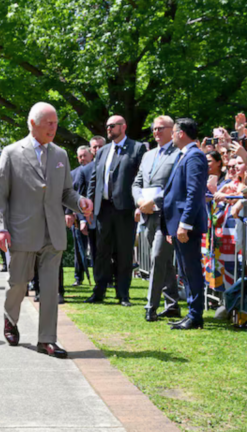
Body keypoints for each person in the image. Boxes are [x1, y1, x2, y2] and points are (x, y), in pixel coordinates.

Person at [0, 102, 93, 358]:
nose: (54, 127)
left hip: (53, 231)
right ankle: (10, 318)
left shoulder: (60, 155)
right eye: (48, 123)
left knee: (50, 289)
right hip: (21, 231)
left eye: (56, 122)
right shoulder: (11, 152)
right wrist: (0, 228)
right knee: (17, 284)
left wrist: (79, 203)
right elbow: (0, 196)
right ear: (32, 124)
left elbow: (66, 192)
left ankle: (47, 339)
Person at [86, 115, 146, 306]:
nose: (109, 129)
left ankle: (123, 294)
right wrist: (89, 204)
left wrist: (139, 204)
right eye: (107, 126)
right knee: (101, 252)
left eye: (112, 126)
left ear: (123, 127)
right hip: (103, 208)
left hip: (125, 209)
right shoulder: (103, 151)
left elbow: (141, 179)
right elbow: (94, 179)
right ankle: (100, 290)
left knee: (124, 252)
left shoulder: (136, 148)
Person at [132, 115, 181, 322]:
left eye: (161, 128)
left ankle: (151, 306)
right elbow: (137, 183)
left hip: (166, 215)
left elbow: (176, 185)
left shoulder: (179, 154)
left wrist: (155, 202)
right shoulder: (148, 155)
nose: (156, 132)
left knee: (157, 258)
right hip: (148, 214)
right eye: (154, 129)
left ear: (172, 130)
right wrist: (140, 202)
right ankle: (172, 305)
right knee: (163, 261)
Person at [162, 118, 208, 330]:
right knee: (185, 271)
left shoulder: (194, 156)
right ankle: (192, 312)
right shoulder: (185, 155)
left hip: (186, 226)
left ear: (181, 133)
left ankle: (195, 315)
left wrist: (185, 224)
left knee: (191, 270)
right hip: (178, 224)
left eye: (173, 132)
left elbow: (194, 193)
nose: (171, 136)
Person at [68, 145, 93, 287]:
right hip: (78, 217)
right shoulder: (73, 174)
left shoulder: (97, 169)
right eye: (80, 156)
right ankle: (79, 277)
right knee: (79, 250)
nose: (82, 158)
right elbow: (70, 196)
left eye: (85, 155)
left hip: (96, 217)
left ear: (91, 155)